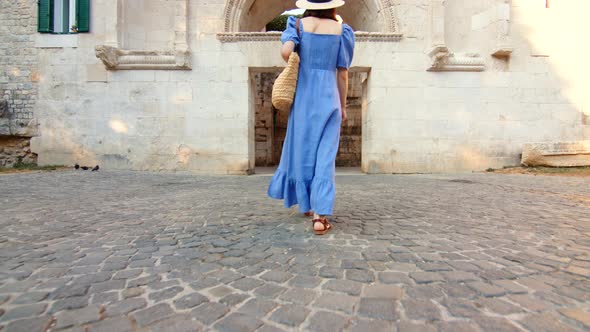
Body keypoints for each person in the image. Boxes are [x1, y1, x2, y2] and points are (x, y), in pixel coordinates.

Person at [267, 0, 355, 235]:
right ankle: (320, 216)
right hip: (330, 99)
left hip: (304, 99)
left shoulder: (296, 25)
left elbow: (286, 53)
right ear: (333, 6)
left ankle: (306, 205)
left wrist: (294, 46)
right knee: (325, 156)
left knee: (304, 151)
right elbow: (343, 74)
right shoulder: (343, 31)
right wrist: (343, 106)